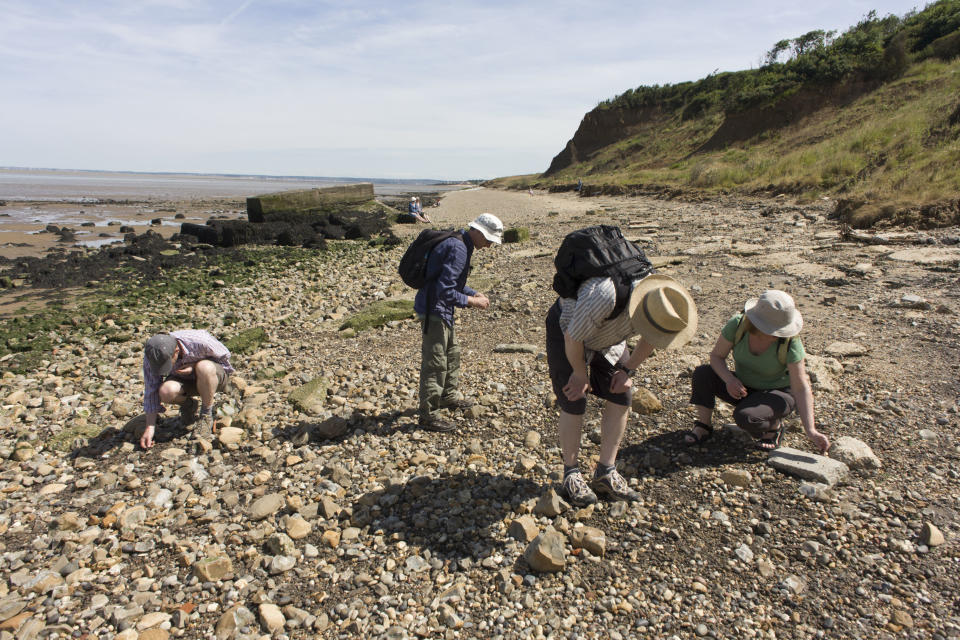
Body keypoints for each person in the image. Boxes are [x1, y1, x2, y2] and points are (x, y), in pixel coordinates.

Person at [547, 273, 697, 504]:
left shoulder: (663, 304)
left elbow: (653, 335)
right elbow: (572, 338)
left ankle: (605, 472)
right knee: (574, 396)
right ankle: (571, 474)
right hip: (568, 329)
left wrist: (628, 370)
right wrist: (580, 373)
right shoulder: (603, 297)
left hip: (610, 335)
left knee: (621, 394)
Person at [685, 290, 830, 453]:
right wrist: (729, 380)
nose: (780, 335)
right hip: (744, 388)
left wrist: (811, 430)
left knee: (746, 417)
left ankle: (774, 426)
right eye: (775, 330)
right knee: (703, 374)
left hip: (778, 394)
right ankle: (704, 425)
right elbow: (717, 357)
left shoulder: (790, 342)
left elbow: (801, 387)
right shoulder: (738, 325)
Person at [414, 213, 503, 432]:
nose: (490, 245)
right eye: (489, 240)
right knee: (435, 363)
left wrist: (473, 292)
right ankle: (428, 415)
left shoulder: (462, 243)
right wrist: (472, 301)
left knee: (452, 354)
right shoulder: (458, 248)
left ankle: (447, 397)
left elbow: (451, 282)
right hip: (434, 310)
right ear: (478, 232)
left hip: (442, 310)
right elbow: (444, 291)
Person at [140, 330, 233, 449]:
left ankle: (206, 416)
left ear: (176, 352)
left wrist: (194, 366)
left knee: (204, 367)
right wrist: (150, 427)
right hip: (184, 381)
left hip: (212, 378)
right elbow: (151, 389)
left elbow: (226, 359)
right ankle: (189, 406)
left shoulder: (200, 341)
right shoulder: (153, 356)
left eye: (167, 365)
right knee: (165, 391)